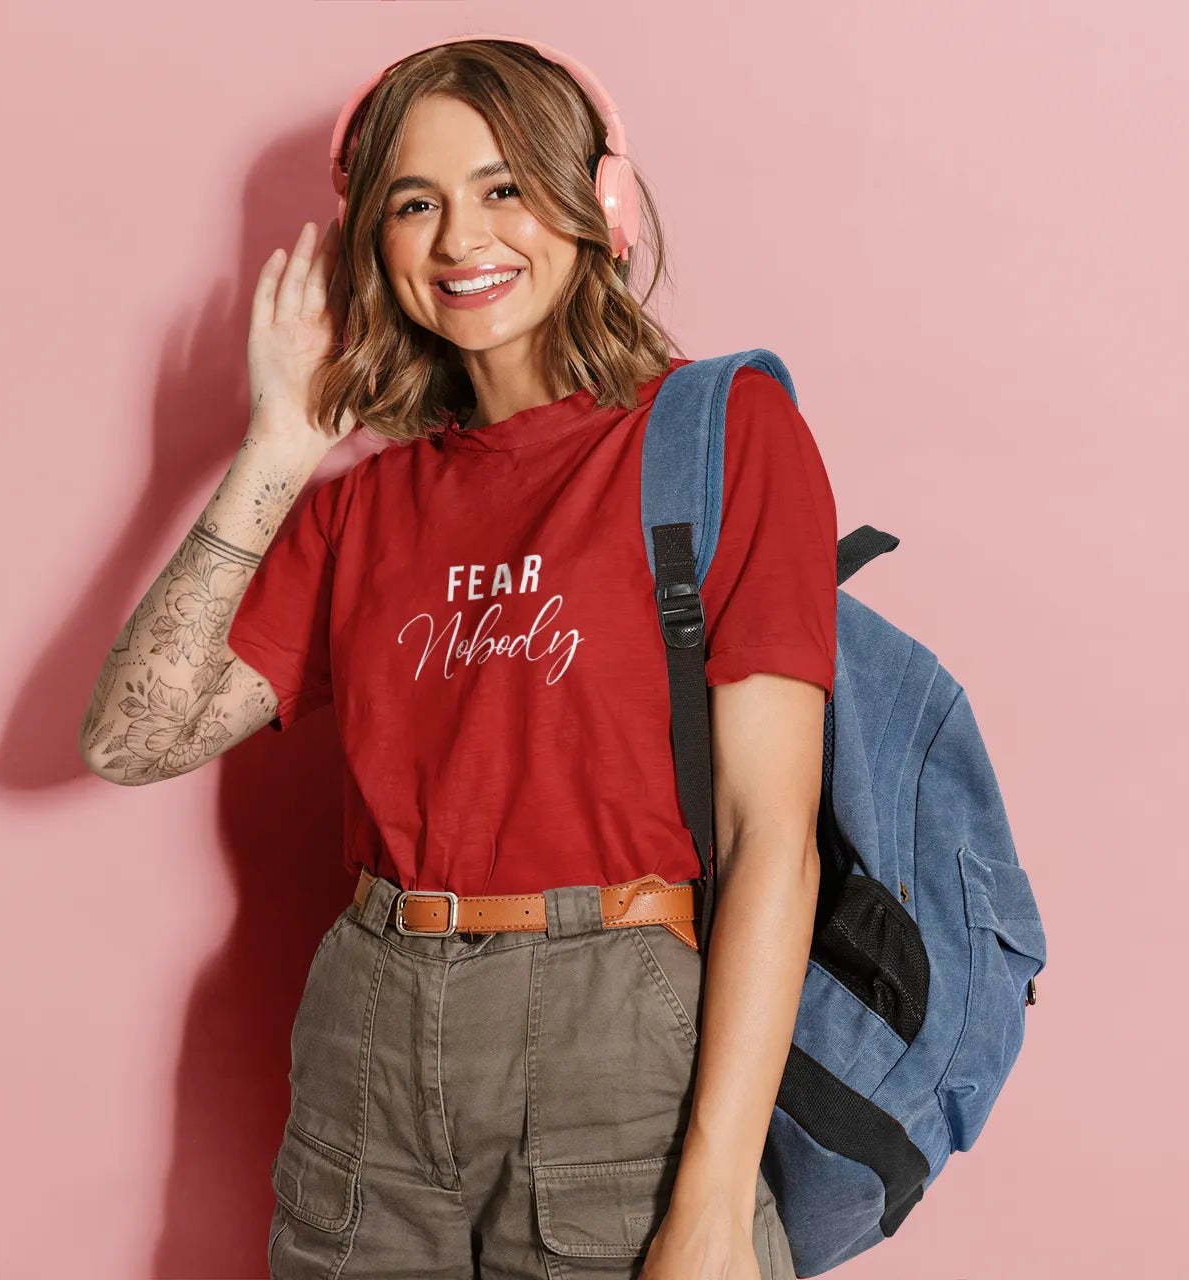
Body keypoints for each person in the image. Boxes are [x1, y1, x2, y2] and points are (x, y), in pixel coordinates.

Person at [78, 35, 836, 1280]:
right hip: (367, 1025)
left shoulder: (719, 435)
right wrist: (279, 441)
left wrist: (706, 1209)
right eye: (412, 203)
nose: (459, 240)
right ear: (369, 243)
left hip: (614, 1031)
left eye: (503, 188)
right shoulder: (360, 507)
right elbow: (126, 738)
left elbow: (772, 839)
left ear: (596, 203)